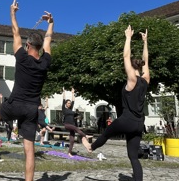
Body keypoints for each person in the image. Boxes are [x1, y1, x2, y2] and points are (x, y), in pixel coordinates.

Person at [0, 0, 53, 181]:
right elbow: (48, 41)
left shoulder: (21, 57)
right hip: (31, 109)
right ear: (40, 48)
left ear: (28, 45)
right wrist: (51, 24)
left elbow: (15, 32)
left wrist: (13, 13)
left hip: (15, 103)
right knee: (29, 150)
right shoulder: (45, 62)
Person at [84, 25, 150, 181]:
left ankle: (91, 147)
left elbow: (126, 56)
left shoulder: (132, 80)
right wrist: (145, 42)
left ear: (131, 68)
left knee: (106, 133)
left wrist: (128, 38)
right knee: (133, 156)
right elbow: (146, 62)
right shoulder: (145, 80)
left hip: (127, 120)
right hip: (140, 122)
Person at [62, 87, 91, 157]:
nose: (69, 104)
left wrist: (73, 93)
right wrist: (64, 92)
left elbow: (73, 101)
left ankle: (69, 152)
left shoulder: (71, 109)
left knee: (72, 140)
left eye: (69, 103)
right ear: (66, 104)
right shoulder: (64, 109)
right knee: (76, 128)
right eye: (68, 103)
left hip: (72, 124)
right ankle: (85, 135)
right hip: (67, 124)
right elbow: (63, 99)